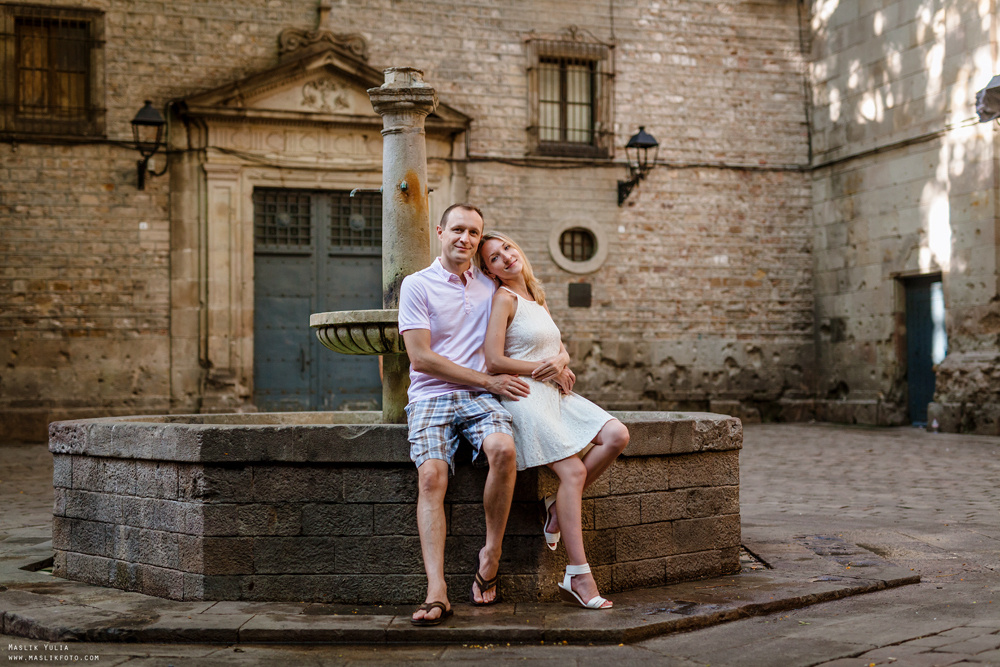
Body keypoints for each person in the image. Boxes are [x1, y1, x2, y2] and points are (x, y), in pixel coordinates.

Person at [476, 230, 630, 609]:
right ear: (491, 272)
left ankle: (556, 508)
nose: (506, 256)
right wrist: (544, 369)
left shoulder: (535, 295)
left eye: (507, 247)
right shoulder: (504, 299)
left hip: (553, 393)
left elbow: (558, 348)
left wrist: (561, 361)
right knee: (573, 473)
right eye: (495, 258)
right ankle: (578, 574)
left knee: (617, 435)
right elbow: (493, 360)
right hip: (524, 396)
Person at [398, 204, 531, 626]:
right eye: (458, 229)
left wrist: (558, 360)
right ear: (440, 232)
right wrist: (490, 381)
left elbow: (532, 315)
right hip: (430, 397)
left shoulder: (490, 286)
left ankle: (491, 554)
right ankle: (436, 590)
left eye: (474, 232)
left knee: (504, 450)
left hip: (477, 396)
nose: (466, 239)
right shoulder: (417, 285)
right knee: (431, 476)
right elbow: (420, 358)